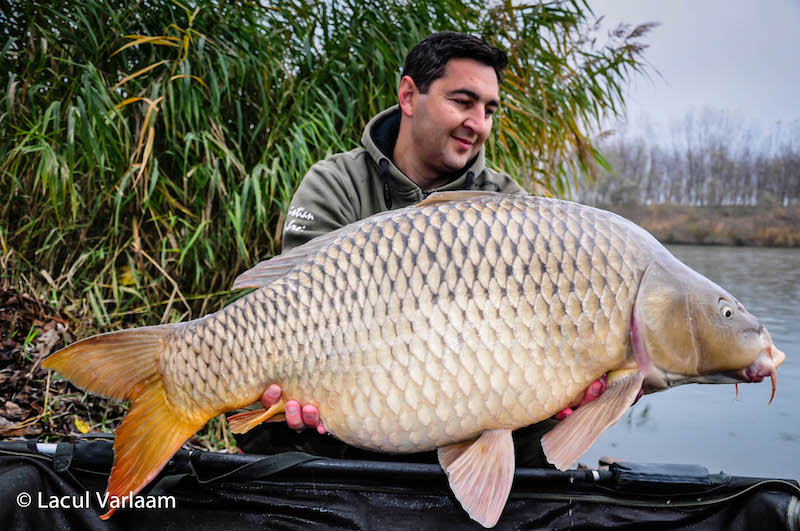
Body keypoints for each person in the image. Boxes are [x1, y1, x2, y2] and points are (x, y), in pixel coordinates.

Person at [236, 32, 606, 463]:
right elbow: (291, 307)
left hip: (469, 406)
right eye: (463, 102)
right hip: (353, 402)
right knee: (279, 426)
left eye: (489, 110)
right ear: (410, 96)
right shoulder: (337, 183)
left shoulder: (508, 207)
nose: (479, 123)